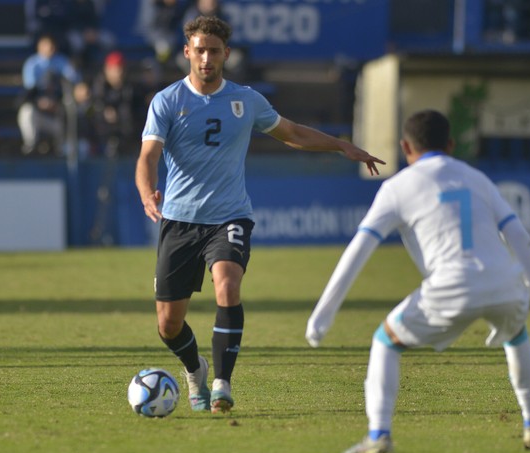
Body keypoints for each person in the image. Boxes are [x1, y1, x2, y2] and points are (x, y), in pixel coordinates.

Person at [135, 16, 384, 415]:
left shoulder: (245, 100)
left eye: (214, 51)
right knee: (168, 325)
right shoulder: (166, 101)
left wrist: (341, 145)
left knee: (228, 286)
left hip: (229, 216)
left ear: (226, 55)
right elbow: (147, 157)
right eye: (199, 50)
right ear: (187, 52)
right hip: (179, 220)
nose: (206, 58)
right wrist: (148, 192)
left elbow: (293, 133)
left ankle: (221, 384)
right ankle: (195, 370)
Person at [306, 109, 530, 453]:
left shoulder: (396, 188)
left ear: (405, 147)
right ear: (451, 145)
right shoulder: (478, 178)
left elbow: (359, 248)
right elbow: (520, 237)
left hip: (450, 287)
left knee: (385, 340)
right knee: (516, 335)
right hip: (504, 282)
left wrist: (322, 316)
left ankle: (379, 433)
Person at [17, 34, 81, 155]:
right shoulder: (32, 64)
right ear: (39, 47)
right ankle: (31, 146)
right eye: (46, 45)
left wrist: (57, 103)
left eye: (52, 46)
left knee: (72, 107)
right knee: (26, 111)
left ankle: (63, 148)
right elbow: (29, 91)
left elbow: (75, 80)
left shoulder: (62, 61)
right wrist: (40, 103)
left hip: (58, 113)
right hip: (40, 112)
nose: (49, 48)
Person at [91, 51, 135, 157]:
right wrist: (105, 110)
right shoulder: (99, 85)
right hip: (100, 134)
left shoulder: (128, 87)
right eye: (115, 69)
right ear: (107, 70)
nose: (118, 73)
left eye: (120, 69)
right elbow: (96, 103)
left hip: (124, 134)